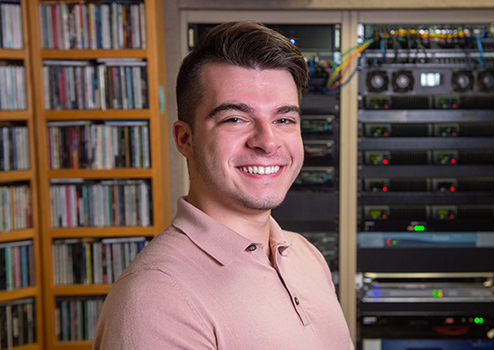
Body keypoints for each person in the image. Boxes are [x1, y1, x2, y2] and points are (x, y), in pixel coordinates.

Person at [92, 21, 353, 349]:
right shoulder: (157, 299)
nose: (267, 142)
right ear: (185, 139)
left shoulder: (306, 255)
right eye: (235, 119)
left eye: (284, 119)